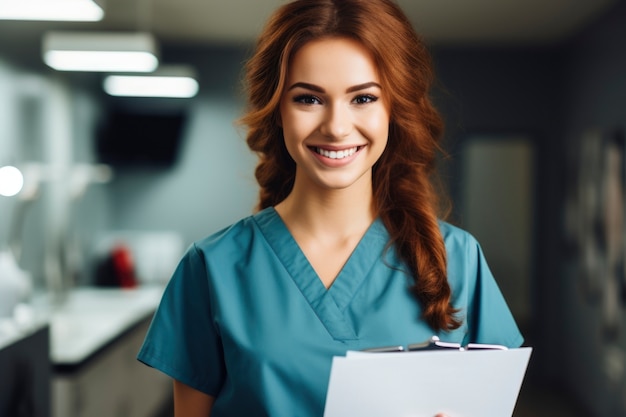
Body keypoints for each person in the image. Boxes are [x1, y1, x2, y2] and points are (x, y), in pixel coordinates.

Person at [137, 0, 524, 416]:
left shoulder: (457, 260)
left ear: (393, 110)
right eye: (308, 99)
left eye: (363, 99)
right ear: (277, 110)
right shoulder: (212, 268)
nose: (337, 127)